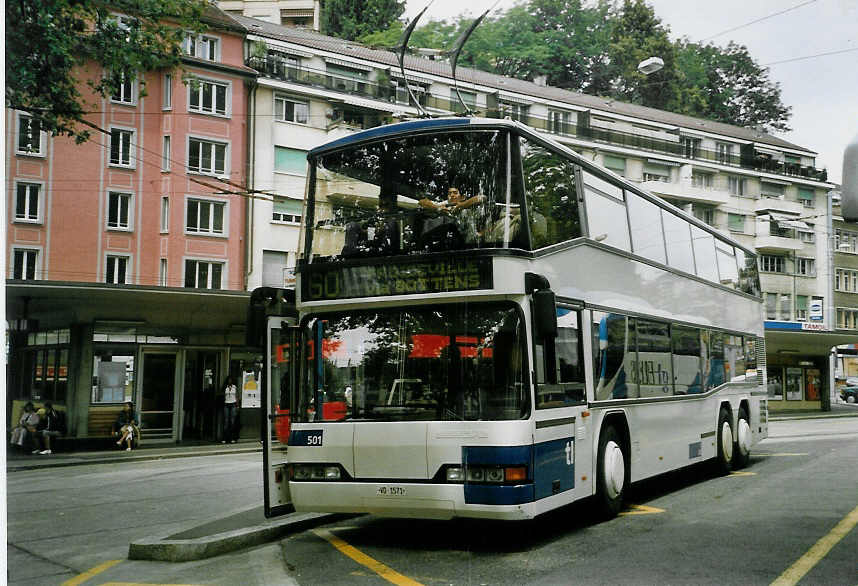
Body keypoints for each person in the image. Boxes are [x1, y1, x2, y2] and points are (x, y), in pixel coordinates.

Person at [419, 187, 486, 247]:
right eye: (449, 193)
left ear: (462, 197)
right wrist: (438, 208)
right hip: (448, 244)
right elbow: (422, 202)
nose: (452, 195)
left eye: (455, 193)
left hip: (469, 243)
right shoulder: (444, 204)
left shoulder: (468, 204)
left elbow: (482, 198)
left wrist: (460, 206)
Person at [222, 376, 241, 444]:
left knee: (232, 421)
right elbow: (223, 396)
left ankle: (232, 438)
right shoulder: (225, 387)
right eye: (228, 380)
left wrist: (237, 406)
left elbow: (237, 397)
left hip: (233, 404)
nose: (229, 381)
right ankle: (225, 438)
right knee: (226, 422)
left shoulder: (235, 387)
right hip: (226, 404)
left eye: (231, 380)